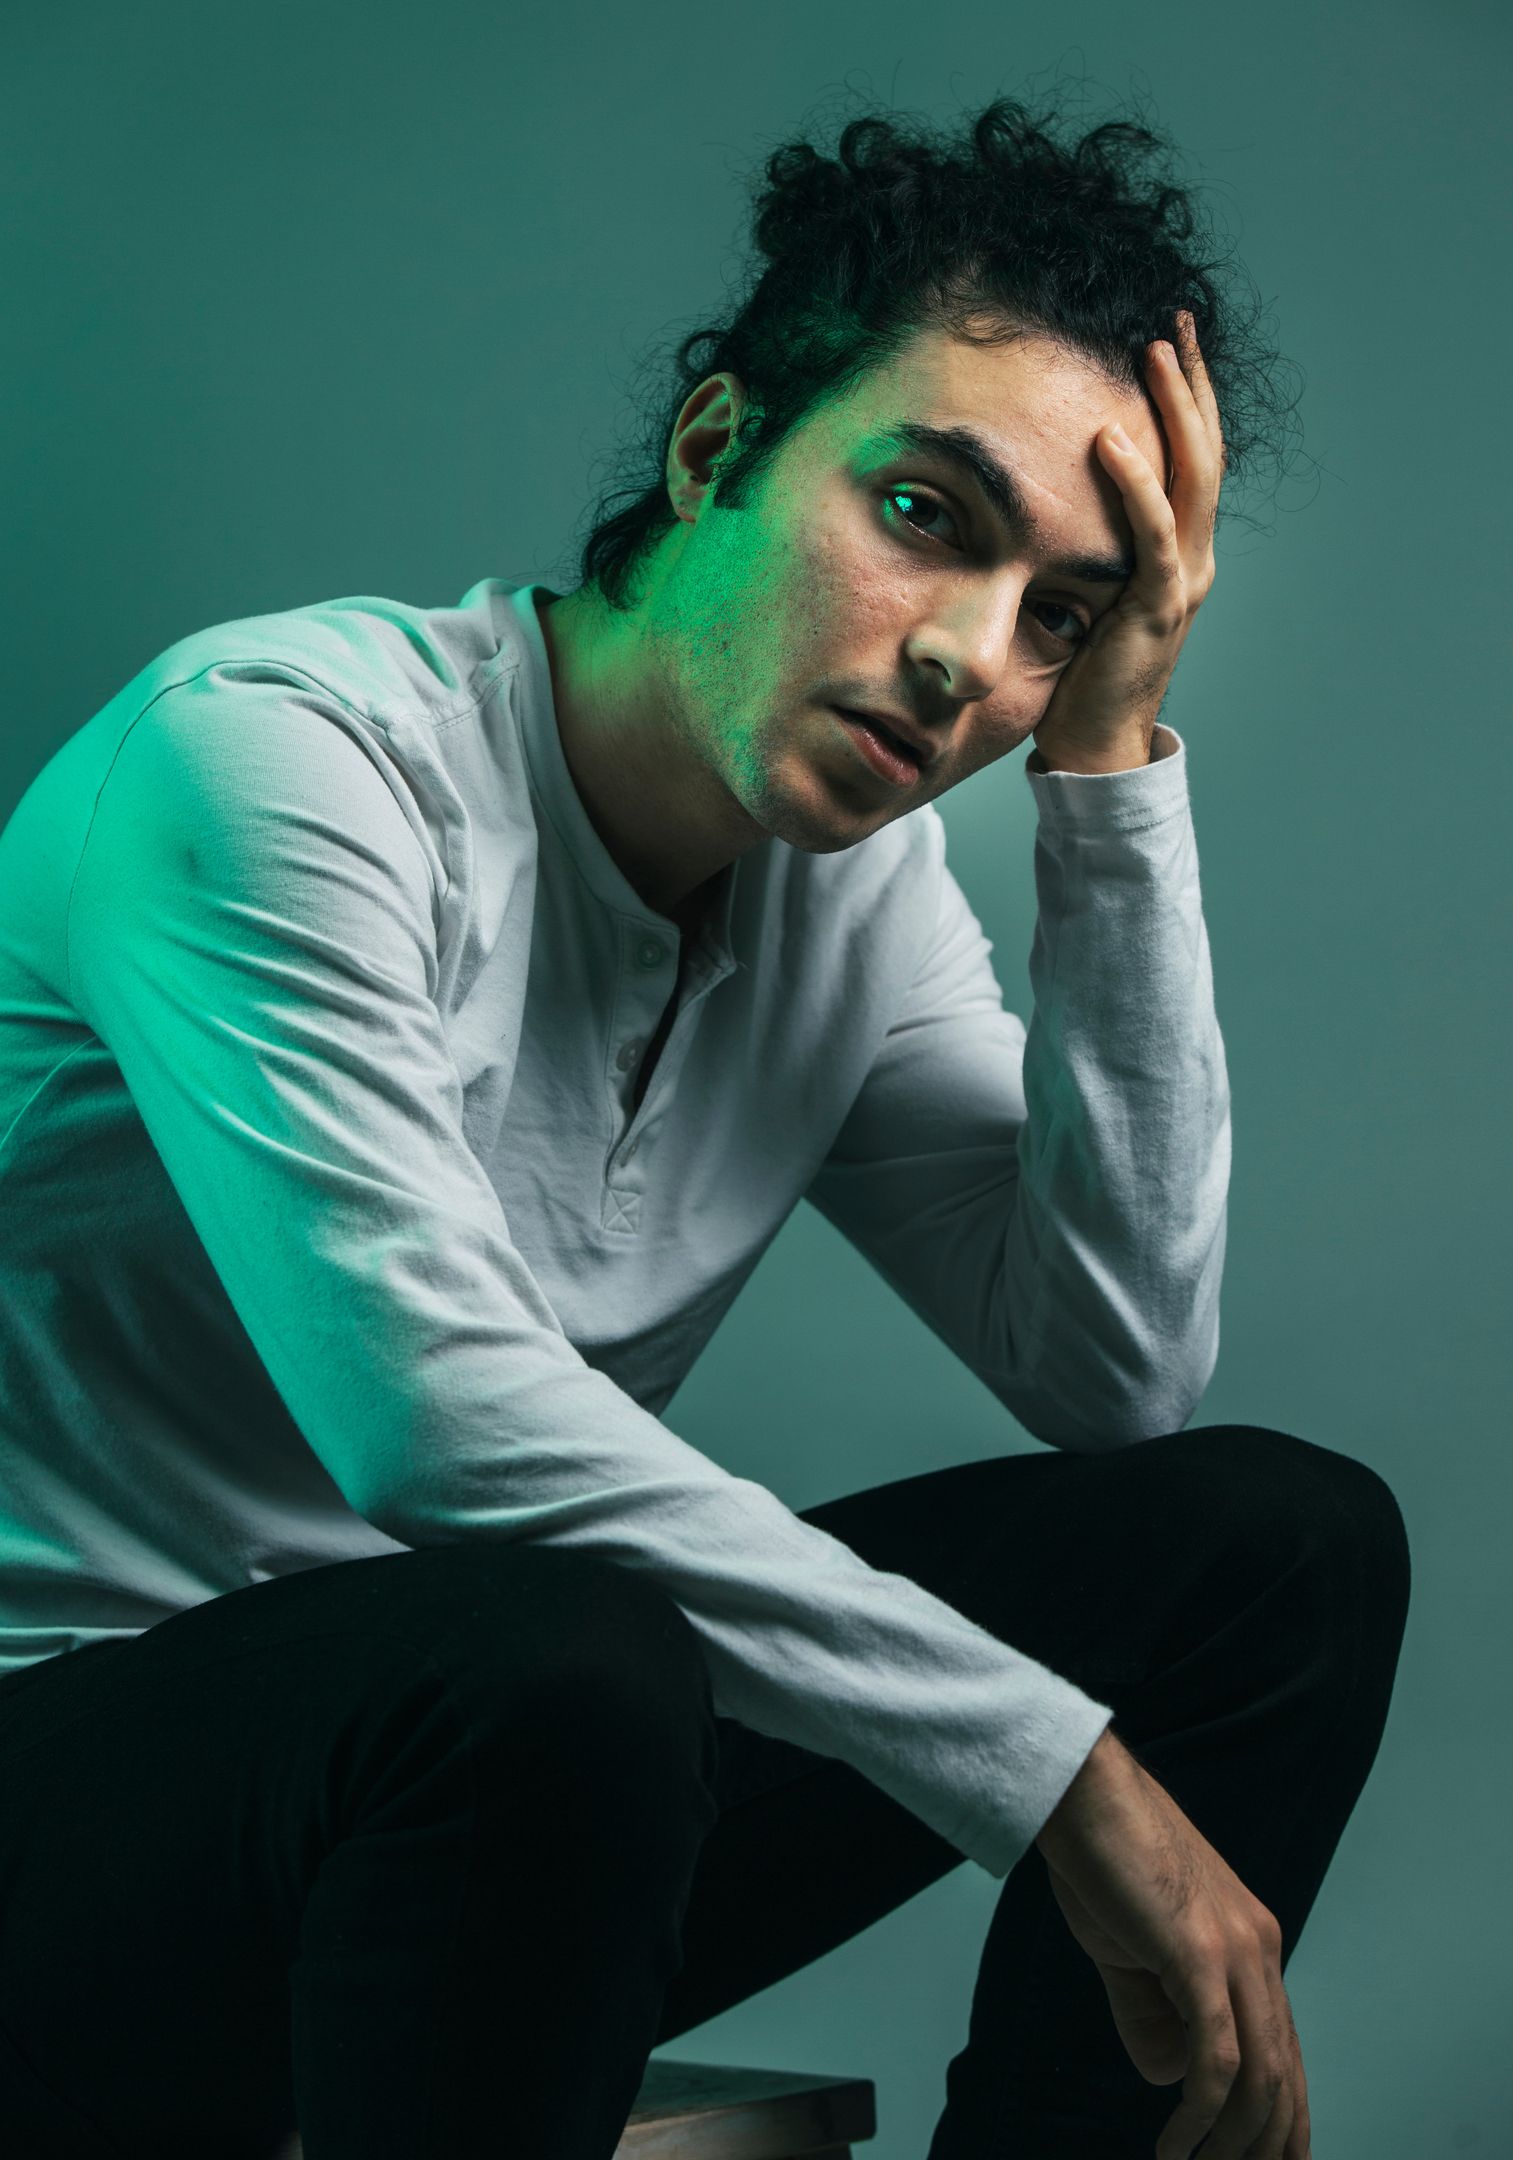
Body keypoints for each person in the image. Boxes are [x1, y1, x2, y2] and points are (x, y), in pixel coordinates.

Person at [0, 91, 1407, 2160]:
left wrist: (1110, 764)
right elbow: (438, 1429)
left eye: (1061, 614)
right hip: (77, 1810)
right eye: (924, 511)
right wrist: (1058, 1773)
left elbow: (1110, 1372)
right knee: (560, 1649)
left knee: (1276, 1546)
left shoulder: (853, 897)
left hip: (515, 1822)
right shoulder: (279, 763)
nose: (966, 658)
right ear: (715, 445)